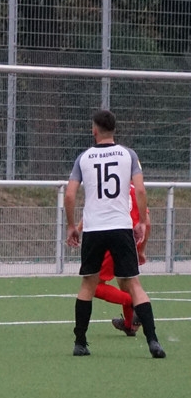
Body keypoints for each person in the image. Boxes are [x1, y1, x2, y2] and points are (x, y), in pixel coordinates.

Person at [65, 109, 165, 358]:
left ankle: (80, 343)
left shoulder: (83, 158)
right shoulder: (128, 155)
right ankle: (153, 341)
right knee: (134, 284)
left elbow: (69, 194)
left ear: (94, 130)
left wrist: (71, 226)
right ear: (114, 130)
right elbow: (140, 191)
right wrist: (141, 222)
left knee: (88, 284)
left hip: (94, 228)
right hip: (120, 227)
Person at [85, 184, 150, 337]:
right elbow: (147, 223)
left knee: (94, 286)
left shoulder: (112, 186)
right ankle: (129, 326)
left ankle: (136, 303)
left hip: (114, 238)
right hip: (132, 241)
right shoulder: (136, 190)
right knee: (126, 283)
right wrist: (141, 250)